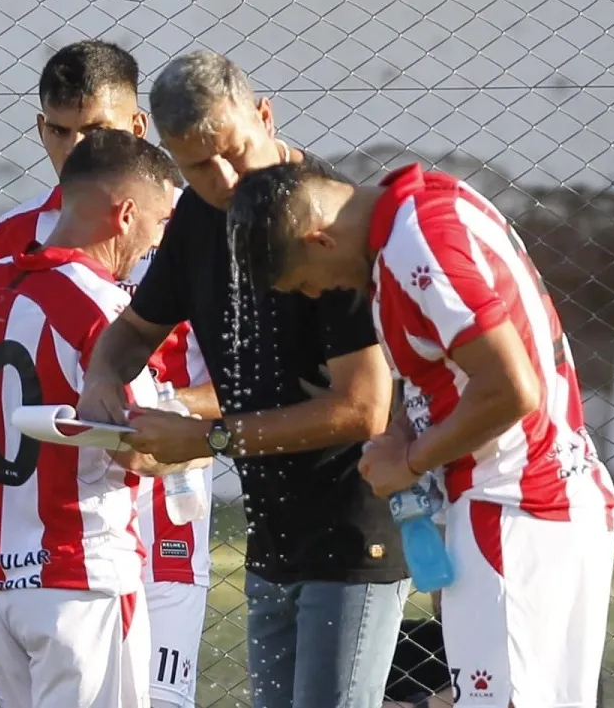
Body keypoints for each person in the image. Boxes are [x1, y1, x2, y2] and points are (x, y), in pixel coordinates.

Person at [77, 49, 407, 708]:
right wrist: (102, 381)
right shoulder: (199, 218)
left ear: (264, 115)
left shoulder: (325, 220)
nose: (225, 178)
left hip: (351, 540)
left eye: (235, 150)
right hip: (273, 549)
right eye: (198, 165)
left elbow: (365, 407)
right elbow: (133, 331)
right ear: (168, 151)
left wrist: (208, 438)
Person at [225, 160, 614, 707]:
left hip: (513, 507)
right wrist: (410, 437)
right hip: (536, 500)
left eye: (306, 282)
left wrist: (410, 460)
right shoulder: (418, 210)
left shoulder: (418, 244)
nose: (320, 293)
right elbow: (462, 375)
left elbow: (512, 387)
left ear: (318, 238)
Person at [0, 129, 193, 708]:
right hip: (82, 579)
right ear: (126, 215)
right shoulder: (104, 308)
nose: (158, 241)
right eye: (161, 220)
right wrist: (214, 435)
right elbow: (143, 446)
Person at [0, 40, 216, 708]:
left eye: (97, 129)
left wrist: (148, 405)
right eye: (60, 128)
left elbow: (240, 382)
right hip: (53, 532)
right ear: (40, 127)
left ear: (138, 129)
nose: (76, 145)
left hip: (161, 505)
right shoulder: (8, 238)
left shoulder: (191, 229)